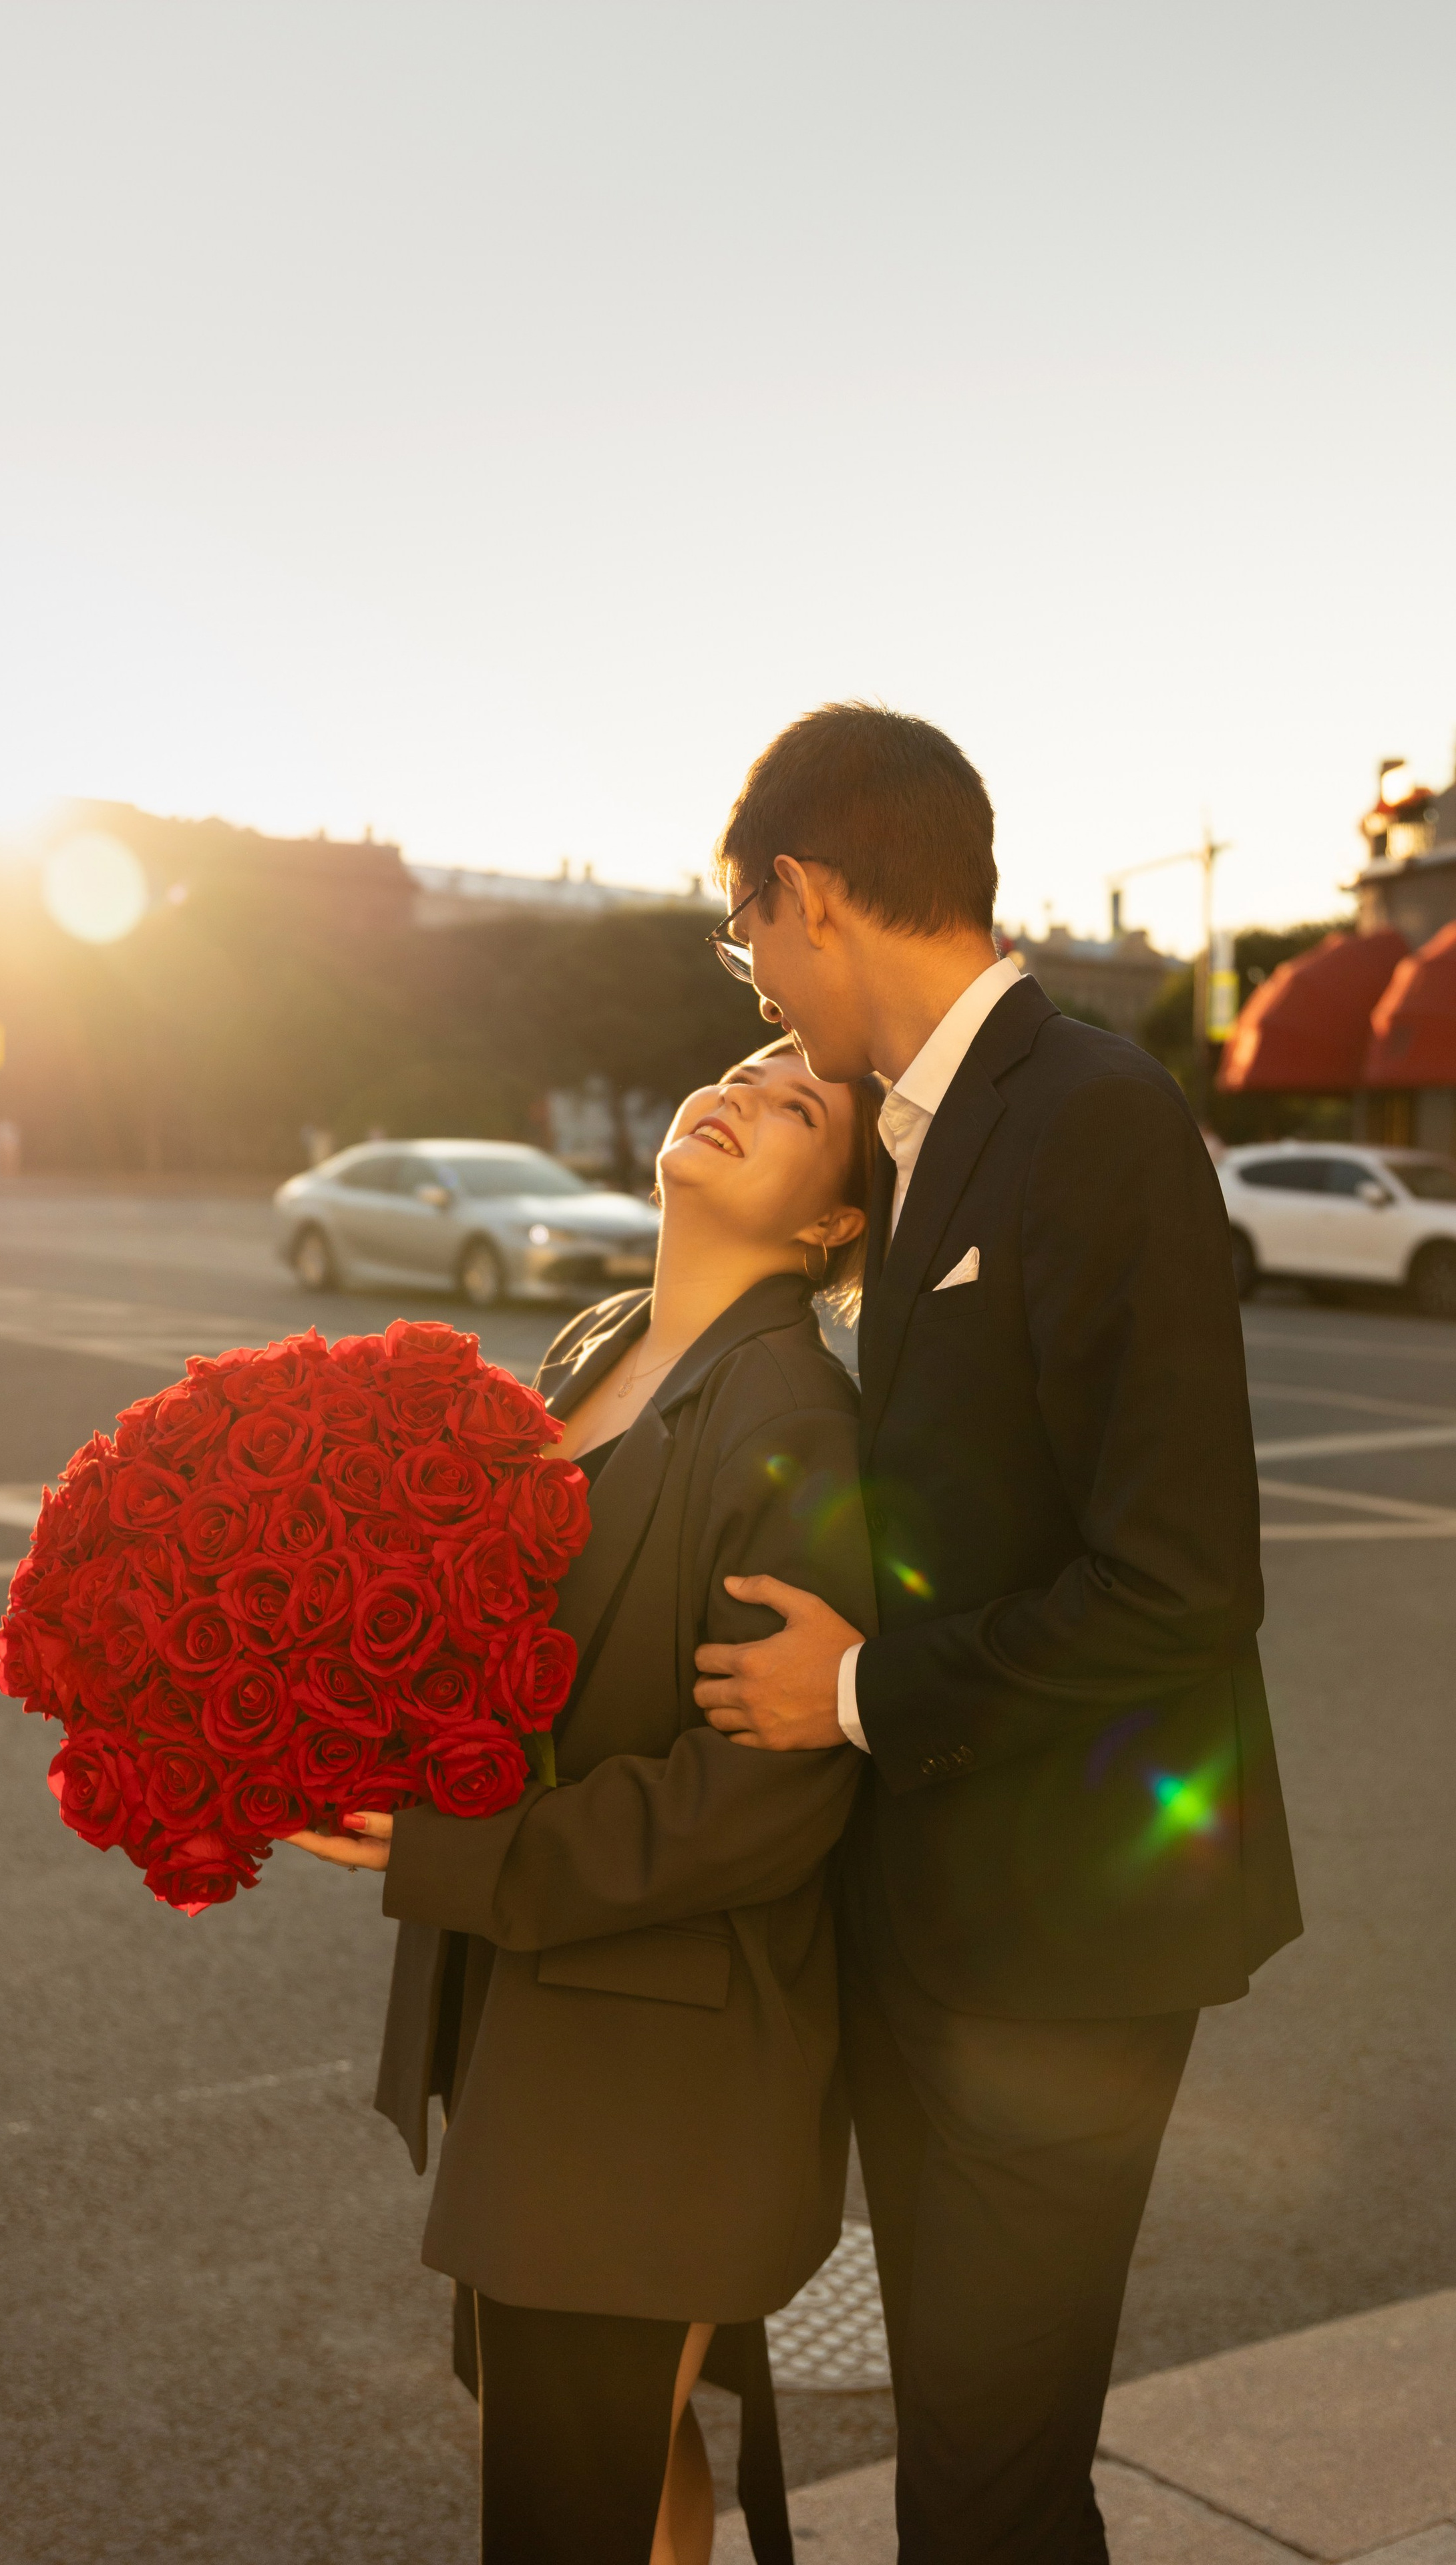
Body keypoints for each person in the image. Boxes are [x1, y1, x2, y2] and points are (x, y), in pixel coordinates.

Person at [693, 703, 1302, 2564]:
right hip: (935, 1927)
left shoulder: (1094, 1116)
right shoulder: (908, 1141)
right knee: (989, 2461)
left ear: (806, 892)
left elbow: (1183, 1582)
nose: (758, 987)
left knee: (989, 2480)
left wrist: (862, 1691)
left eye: (748, 943)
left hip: (1068, 1939)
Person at [294, 1045, 880, 2565]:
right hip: (543, 2008)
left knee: (566, 2498)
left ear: (831, 1229)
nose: (739, 1093)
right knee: (612, 2454)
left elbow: (761, 1801)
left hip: (658, 2056)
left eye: (798, 1108)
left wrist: (458, 1851)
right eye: (742, 1069)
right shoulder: (598, 1340)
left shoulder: (792, 1413)